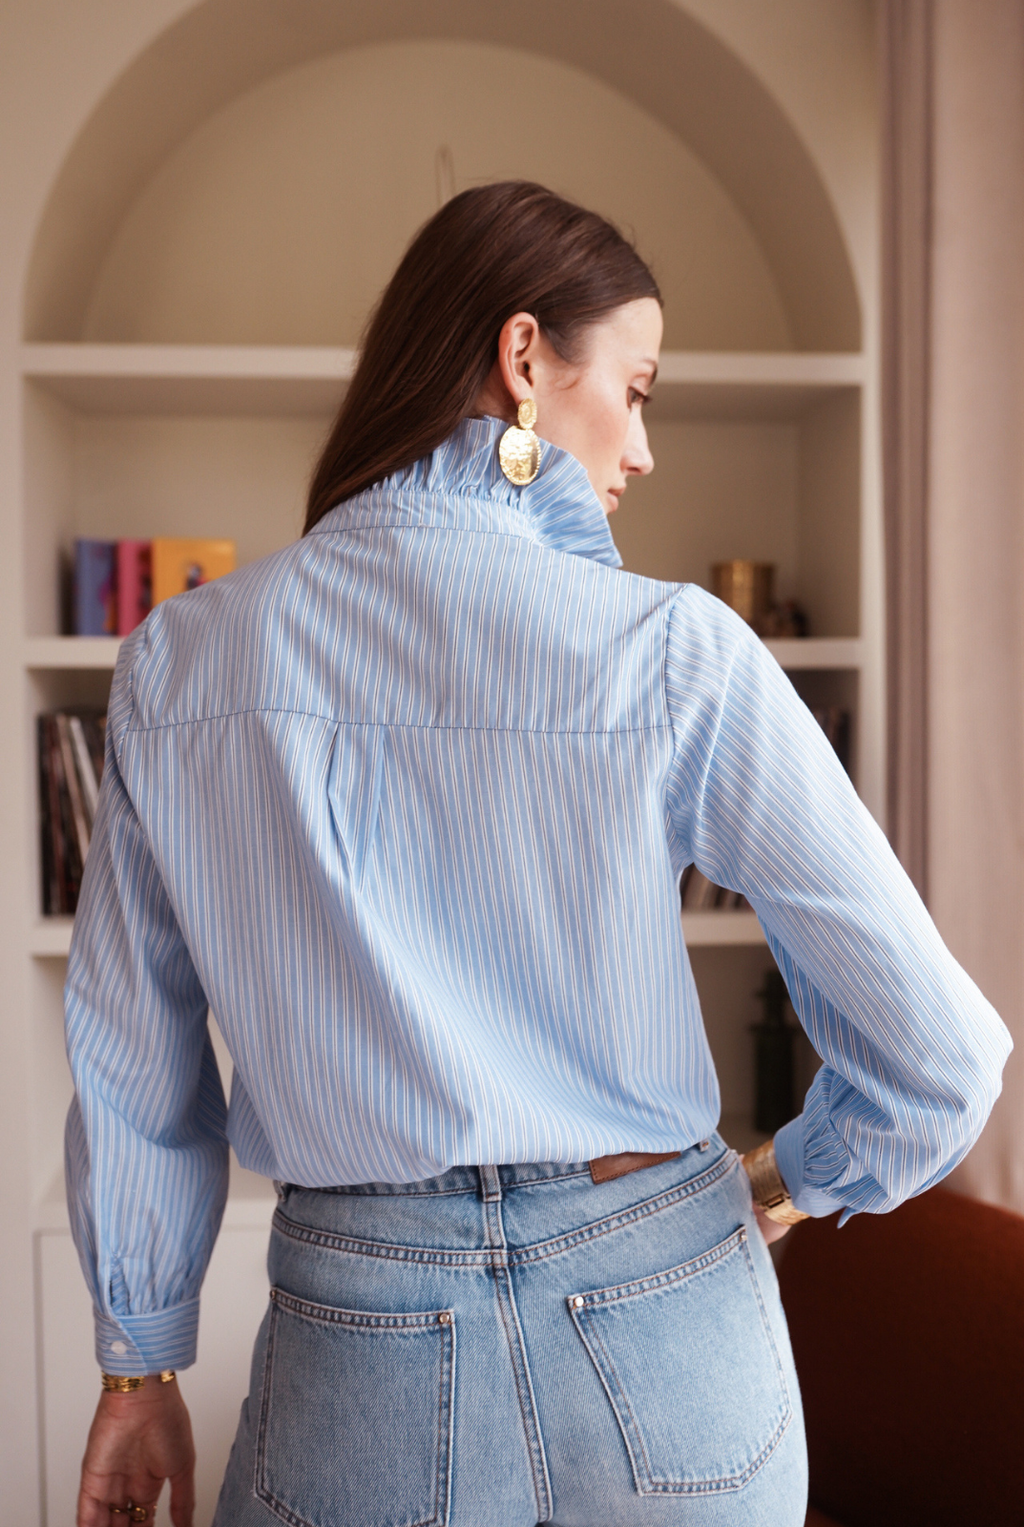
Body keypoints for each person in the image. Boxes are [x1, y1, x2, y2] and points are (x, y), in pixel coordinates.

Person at [66, 182, 1011, 1527]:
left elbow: (135, 1068)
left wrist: (137, 1364)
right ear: (524, 358)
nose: (644, 445)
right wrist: (784, 1184)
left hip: (358, 1329)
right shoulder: (670, 647)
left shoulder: (179, 662)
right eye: (635, 386)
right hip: (672, 1313)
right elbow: (940, 1055)